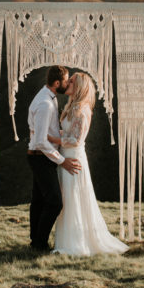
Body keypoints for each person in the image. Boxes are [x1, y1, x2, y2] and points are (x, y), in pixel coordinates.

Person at [49, 72, 128, 256]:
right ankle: (67, 240)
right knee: (67, 200)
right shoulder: (72, 106)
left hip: (74, 159)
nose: (67, 83)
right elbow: (67, 133)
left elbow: (76, 139)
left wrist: (50, 137)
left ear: (79, 87)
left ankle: (75, 244)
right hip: (65, 158)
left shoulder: (83, 109)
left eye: (71, 81)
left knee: (73, 199)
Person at [27, 65, 81, 251]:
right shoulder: (45, 104)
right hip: (41, 156)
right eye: (66, 81)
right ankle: (40, 243)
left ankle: (36, 242)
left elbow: (43, 133)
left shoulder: (49, 97)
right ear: (57, 83)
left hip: (40, 156)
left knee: (39, 200)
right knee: (54, 202)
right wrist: (62, 161)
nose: (67, 84)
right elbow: (41, 141)